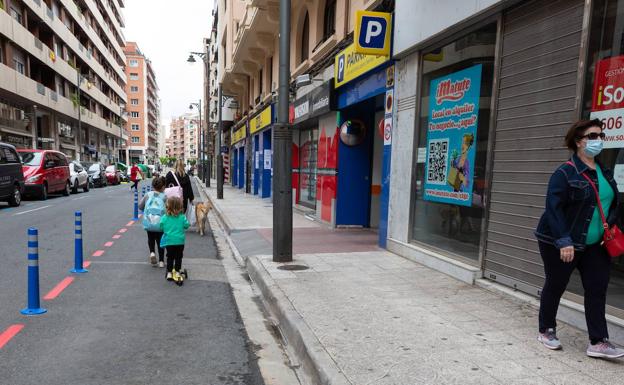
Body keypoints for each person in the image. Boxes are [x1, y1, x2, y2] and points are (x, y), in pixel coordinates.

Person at [535, 118, 624, 359]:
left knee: (597, 288)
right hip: (562, 240)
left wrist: (611, 224)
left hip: (595, 243)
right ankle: (546, 329)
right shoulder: (565, 172)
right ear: (578, 141)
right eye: (593, 136)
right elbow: (553, 209)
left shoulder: (604, 171)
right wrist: (563, 241)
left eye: (601, 136)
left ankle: (598, 341)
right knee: (556, 284)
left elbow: (611, 201)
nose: (599, 141)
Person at [159, 197, 189, 283]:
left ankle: (169, 272)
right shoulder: (182, 217)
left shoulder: (165, 217)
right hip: (180, 241)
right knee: (178, 257)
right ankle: (177, 271)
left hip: (169, 241)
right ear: (180, 206)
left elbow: (161, 226)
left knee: (170, 257)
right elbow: (187, 225)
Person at [139, 176, 167, 268]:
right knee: (160, 241)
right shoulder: (164, 197)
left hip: (149, 221)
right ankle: (162, 261)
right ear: (163, 187)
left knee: (150, 238)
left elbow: (140, 206)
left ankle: (152, 253)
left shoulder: (148, 195)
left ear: (152, 185)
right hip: (160, 223)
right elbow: (168, 210)